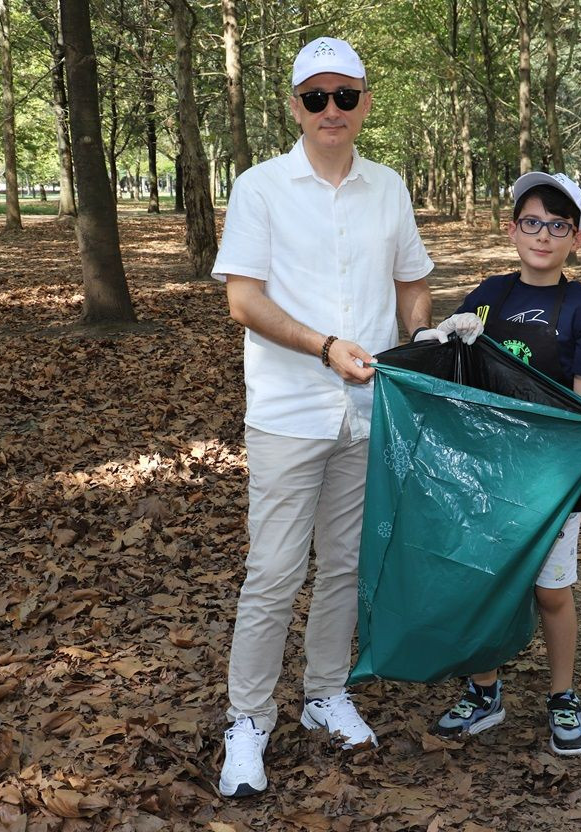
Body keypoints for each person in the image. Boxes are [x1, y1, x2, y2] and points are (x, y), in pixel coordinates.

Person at [210, 36, 467, 798]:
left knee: (347, 566)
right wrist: (323, 346)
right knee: (275, 572)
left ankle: (325, 693)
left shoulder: (387, 187)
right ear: (295, 105)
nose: (331, 110)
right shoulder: (260, 187)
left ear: (365, 103)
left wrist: (414, 335)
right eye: (316, 97)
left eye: (345, 96)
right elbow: (243, 299)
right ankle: (249, 720)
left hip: (369, 409)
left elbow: (413, 280)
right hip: (290, 411)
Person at [425, 172, 581, 756]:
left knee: (550, 591)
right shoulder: (490, 294)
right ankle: (485, 691)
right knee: (487, 584)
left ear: (577, 238)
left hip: (552, 474)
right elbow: (449, 358)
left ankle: (563, 696)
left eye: (557, 225)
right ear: (512, 228)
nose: (542, 235)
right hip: (487, 468)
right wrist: (444, 333)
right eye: (531, 222)